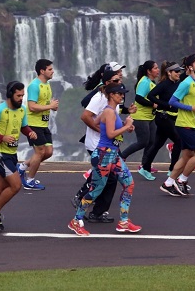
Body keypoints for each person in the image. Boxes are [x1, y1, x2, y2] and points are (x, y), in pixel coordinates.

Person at [68, 83, 141, 236]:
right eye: (120, 94)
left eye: (123, 93)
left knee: (129, 184)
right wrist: (126, 125)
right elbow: (110, 134)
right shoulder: (110, 112)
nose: (122, 96)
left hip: (112, 155)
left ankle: (124, 221)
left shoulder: (110, 111)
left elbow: (96, 122)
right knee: (95, 190)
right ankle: (76, 221)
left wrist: (123, 128)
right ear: (112, 95)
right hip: (104, 155)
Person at [0, 81, 36, 231]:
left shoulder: (22, 110)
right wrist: (1, 137)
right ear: (10, 94)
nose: (21, 98)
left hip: (11, 153)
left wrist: (29, 132)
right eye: (18, 95)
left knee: (0, 189)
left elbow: (23, 126)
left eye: (23, 95)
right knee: (16, 185)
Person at [72, 69, 128, 224]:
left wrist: (123, 123)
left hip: (109, 146)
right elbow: (85, 116)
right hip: (98, 144)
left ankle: (94, 208)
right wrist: (102, 130)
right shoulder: (99, 97)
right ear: (108, 82)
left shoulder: (114, 100)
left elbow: (110, 119)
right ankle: (89, 210)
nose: (119, 83)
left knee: (107, 178)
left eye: (120, 80)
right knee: (106, 179)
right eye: (116, 80)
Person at [160, 53, 195, 196]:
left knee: (187, 156)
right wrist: (191, 108)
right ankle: (182, 180)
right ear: (190, 67)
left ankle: (168, 183)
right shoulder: (185, 83)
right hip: (184, 124)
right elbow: (172, 102)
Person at [18, 59, 58, 190]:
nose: (53, 71)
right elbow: (31, 106)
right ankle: (29, 180)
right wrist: (50, 106)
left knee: (49, 152)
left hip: (43, 123)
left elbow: (45, 104)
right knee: (40, 152)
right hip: (33, 124)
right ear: (42, 71)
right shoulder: (34, 85)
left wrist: (52, 107)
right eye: (50, 69)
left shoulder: (46, 84)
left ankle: (22, 167)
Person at [141, 62, 183, 179]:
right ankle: (172, 170)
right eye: (176, 71)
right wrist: (164, 105)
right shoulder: (164, 84)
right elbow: (151, 96)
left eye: (179, 71)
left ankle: (145, 168)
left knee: (158, 143)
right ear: (169, 73)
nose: (178, 73)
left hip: (172, 116)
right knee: (178, 140)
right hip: (163, 117)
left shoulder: (178, 84)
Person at [121, 60, 159, 166]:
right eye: (155, 68)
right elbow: (139, 98)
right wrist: (152, 104)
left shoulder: (151, 82)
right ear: (149, 71)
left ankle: (145, 165)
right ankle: (121, 157)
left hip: (150, 117)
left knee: (152, 142)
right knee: (143, 142)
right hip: (140, 117)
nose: (158, 70)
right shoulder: (144, 82)